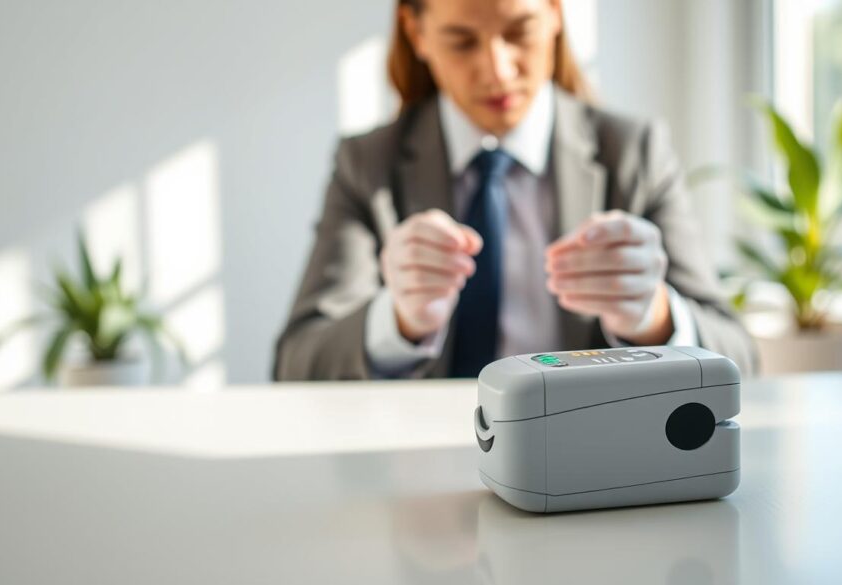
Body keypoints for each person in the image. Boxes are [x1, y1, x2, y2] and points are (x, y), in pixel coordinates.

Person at [273, 0, 756, 380]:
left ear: (555, 13)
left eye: (519, 32)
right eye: (462, 41)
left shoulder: (634, 153)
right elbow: (296, 363)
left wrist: (653, 315)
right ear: (417, 33)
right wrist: (398, 320)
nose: (498, 69)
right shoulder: (368, 164)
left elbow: (741, 358)